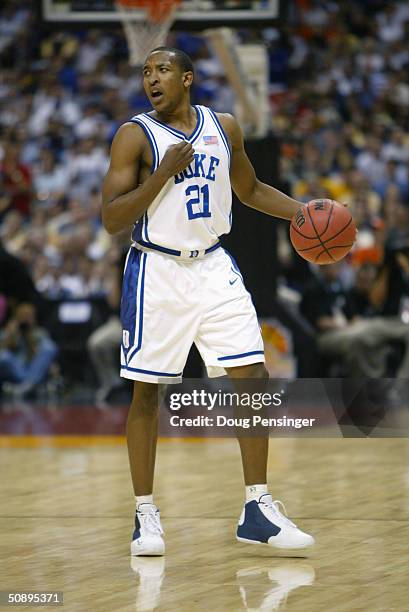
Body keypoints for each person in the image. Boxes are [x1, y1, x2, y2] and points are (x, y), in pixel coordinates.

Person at [102, 47, 314, 556]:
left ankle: (257, 508)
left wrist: (303, 213)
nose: (152, 79)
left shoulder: (225, 127)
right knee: (147, 393)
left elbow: (252, 189)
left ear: (188, 78)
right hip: (157, 268)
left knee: (253, 376)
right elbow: (112, 220)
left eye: (163, 70)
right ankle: (145, 514)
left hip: (214, 264)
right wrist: (161, 174)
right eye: (146, 72)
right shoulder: (136, 135)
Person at [0, 302, 58, 398]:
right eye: (23, 316)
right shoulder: (9, 331)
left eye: (28, 316)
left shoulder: (40, 333)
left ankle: (26, 385)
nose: (25, 320)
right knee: (4, 356)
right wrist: (10, 336)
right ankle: (28, 385)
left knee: (49, 347)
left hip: (33, 369)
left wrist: (31, 339)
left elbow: (45, 358)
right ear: (17, 318)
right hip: (16, 370)